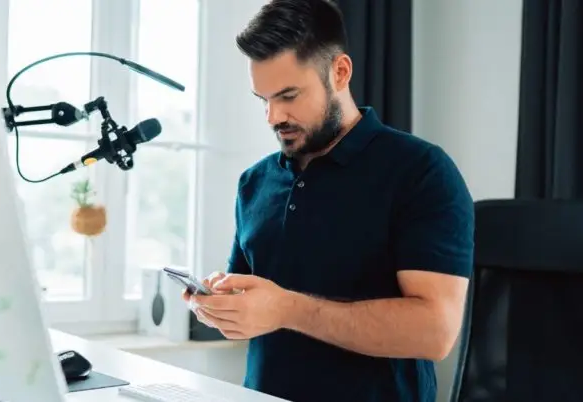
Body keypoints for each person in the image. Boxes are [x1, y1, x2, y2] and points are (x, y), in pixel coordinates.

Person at [183, 1, 474, 401]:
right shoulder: (254, 182)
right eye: (263, 99)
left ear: (340, 72)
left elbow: (435, 332)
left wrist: (287, 308)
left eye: (288, 95)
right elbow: (254, 304)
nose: (273, 116)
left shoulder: (421, 170)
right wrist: (219, 304)